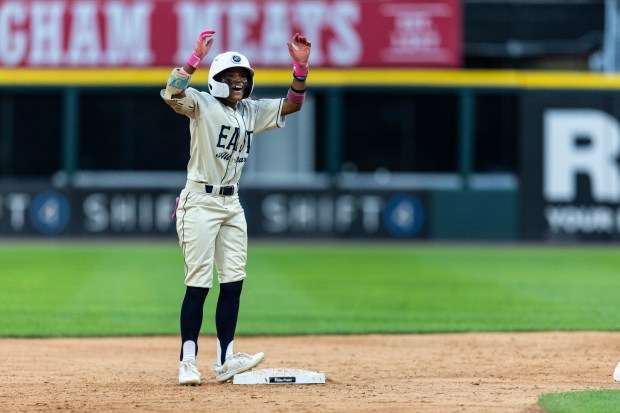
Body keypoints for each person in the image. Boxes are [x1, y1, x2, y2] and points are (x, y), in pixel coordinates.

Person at [161, 30, 312, 386]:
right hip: (199, 200)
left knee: (233, 282)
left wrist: (300, 68)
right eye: (231, 78)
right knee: (198, 284)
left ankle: (227, 359)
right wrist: (194, 58)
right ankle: (188, 361)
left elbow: (292, 103)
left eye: (243, 77)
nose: (239, 83)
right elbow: (171, 91)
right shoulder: (202, 104)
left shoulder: (249, 111)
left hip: (232, 202)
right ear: (215, 81)